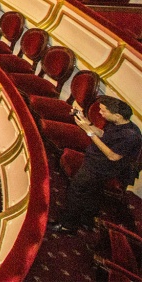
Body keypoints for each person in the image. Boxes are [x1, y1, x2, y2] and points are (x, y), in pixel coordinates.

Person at [52, 95, 142, 233]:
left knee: (76, 189)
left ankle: (67, 225)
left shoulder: (131, 135)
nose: (100, 113)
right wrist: (85, 121)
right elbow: (103, 134)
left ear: (117, 115)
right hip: (96, 161)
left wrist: (89, 133)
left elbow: (112, 156)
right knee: (92, 192)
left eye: (104, 111)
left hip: (102, 167)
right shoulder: (117, 123)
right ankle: (87, 220)